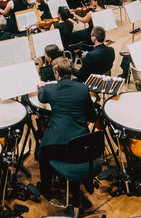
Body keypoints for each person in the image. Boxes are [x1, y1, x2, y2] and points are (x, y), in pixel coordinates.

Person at [37, 56, 98, 204]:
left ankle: (46, 188)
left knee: (42, 152)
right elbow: (92, 116)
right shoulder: (83, 89)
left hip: (57, 146)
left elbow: (41, 97)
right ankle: (86, 181)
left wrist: (41, 85)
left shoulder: (50, 89)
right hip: (81, 146)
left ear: (56, 73)